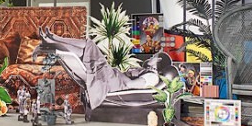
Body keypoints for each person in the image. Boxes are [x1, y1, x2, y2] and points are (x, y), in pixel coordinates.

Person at [35, 28, 175, 109]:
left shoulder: (152, 77)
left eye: (155, 57)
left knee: (89, 46)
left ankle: (52, 40)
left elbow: (129, 84)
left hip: (113, 80)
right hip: (112, 76)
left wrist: (117, 73)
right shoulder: (148, 73)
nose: (152, 57)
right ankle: (53, 39)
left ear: (158, 62)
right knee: (88, 47)